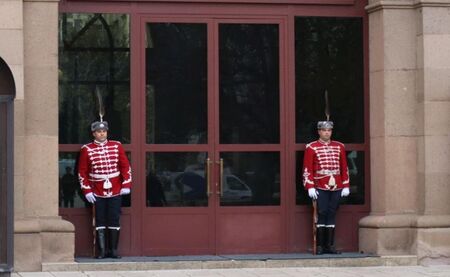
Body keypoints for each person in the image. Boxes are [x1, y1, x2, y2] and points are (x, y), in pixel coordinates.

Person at [78, 121, 132, 259]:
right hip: (97, 189)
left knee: (114, 219)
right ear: (94, 133)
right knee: (100, 220)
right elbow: (82, 172)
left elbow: (125, 167)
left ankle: (113, 251)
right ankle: (102, 251)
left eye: (104, 131)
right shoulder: (87, 149)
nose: (102, 133)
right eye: (99, 131)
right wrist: (87, 190)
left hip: (115, 188)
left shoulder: (116, 145)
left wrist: (126, 185)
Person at [302, 120, 350, 254]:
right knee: (321, 213)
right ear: (319, 131)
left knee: (332, 213)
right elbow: (307, 168)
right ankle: (320, 246)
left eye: (329, 130)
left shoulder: (339, 146)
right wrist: (310, 186)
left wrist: (345, 185)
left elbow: (344, 167)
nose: (327, 132)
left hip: (337, 185)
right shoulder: (312, 147)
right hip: (320, 185)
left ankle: (330, 245)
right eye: (324, 130)